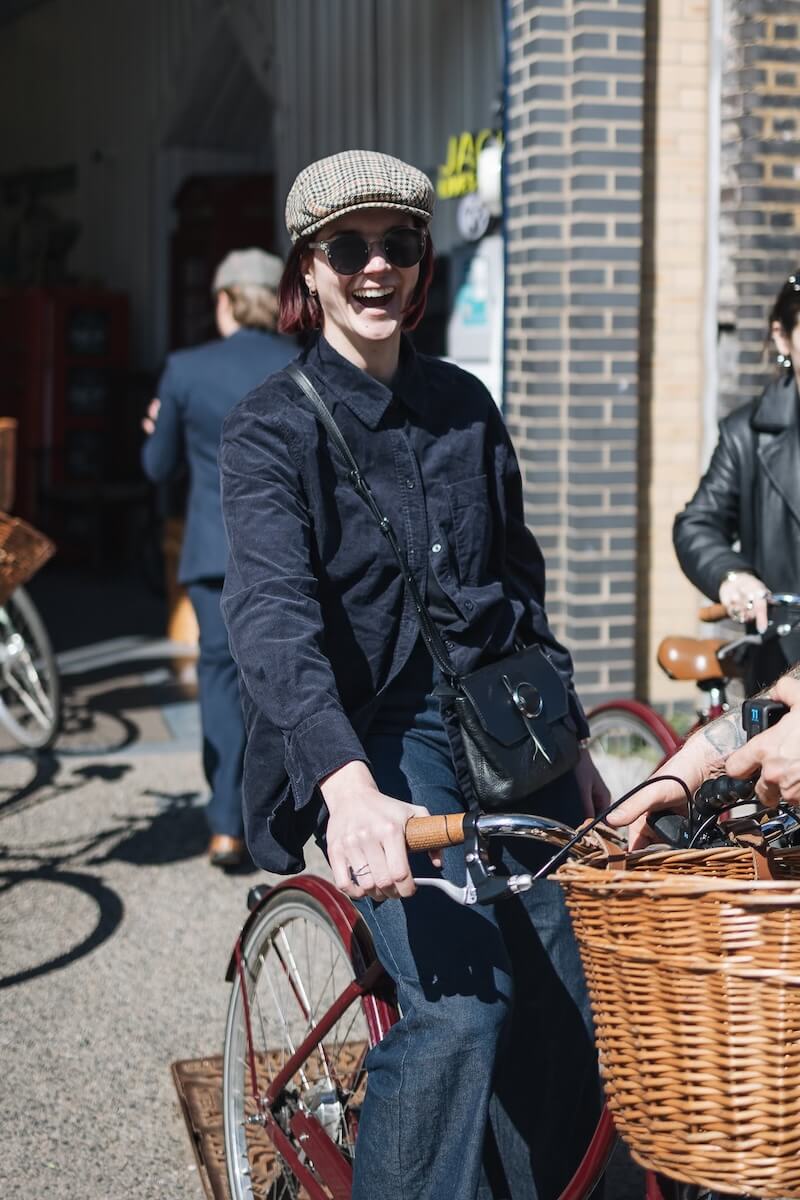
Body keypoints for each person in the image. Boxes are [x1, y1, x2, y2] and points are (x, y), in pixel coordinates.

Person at [219, 150, 608, 1200]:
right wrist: (346, 790)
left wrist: (566, 743)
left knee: (572, 995)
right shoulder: (271, 427)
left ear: (423, 263)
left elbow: (517, 588)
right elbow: (268, 616)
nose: (376, 267)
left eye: (397, 245)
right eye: (348, 248)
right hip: (373, 740)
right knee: (459, 1007)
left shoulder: (464, 407)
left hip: (494, 725)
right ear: (309, 271)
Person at [141, 248, 295, 868]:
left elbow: (157, 468)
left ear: (226, 300)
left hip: (212, 551)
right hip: (289, 551)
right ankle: (283, 819)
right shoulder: (303, 364)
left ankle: (228, 825)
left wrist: (155, 427)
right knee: (283, 678)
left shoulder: (186, 369)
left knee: (222, 678)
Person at [673, 272, 800, 691]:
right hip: (784, 667)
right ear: (782, 338)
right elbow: (698, 523)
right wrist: (733, 576)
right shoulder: (748, 434)